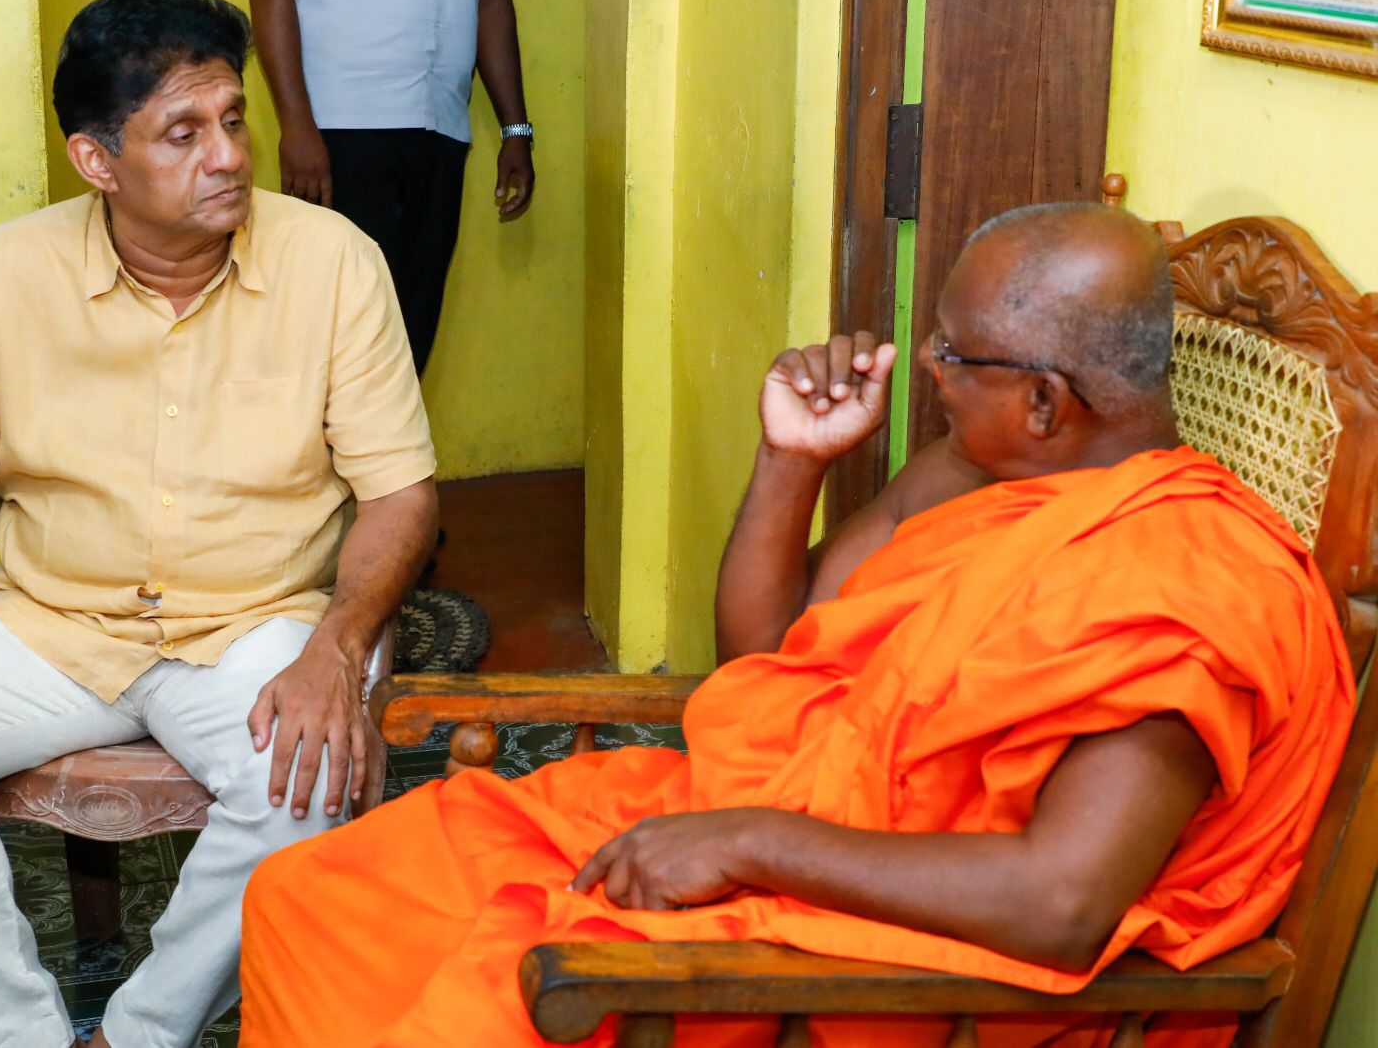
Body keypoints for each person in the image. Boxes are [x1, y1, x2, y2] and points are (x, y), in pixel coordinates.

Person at [237, 204, 1356, 1048]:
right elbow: (771, 659)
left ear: (1046, 402)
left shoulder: (1187, 585)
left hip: (880, 959)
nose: (926, 365)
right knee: (314, 896)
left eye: (953, 351)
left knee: (464, 1004)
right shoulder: (981, 465)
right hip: (766, 818)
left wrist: (748, 845)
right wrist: (791, 459)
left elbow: (1059, 904)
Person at [0, 0, 438, 1048]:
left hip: (253, 626)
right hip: (51, 627)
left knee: (307, 774)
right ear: (96, 160)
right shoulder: (6, 276)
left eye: (233, 119)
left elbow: (400, 494)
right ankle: (14, 1033)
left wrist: (337, 646)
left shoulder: (334, 263)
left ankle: (136, 1036)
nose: (228, 155)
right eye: (183, 134)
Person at [249, 0, 535, 374]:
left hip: (441, 129)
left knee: (412, 323)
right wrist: (296, 126)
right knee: (334, 324)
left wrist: (514, 128)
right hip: (340, 129)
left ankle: (392, 422)